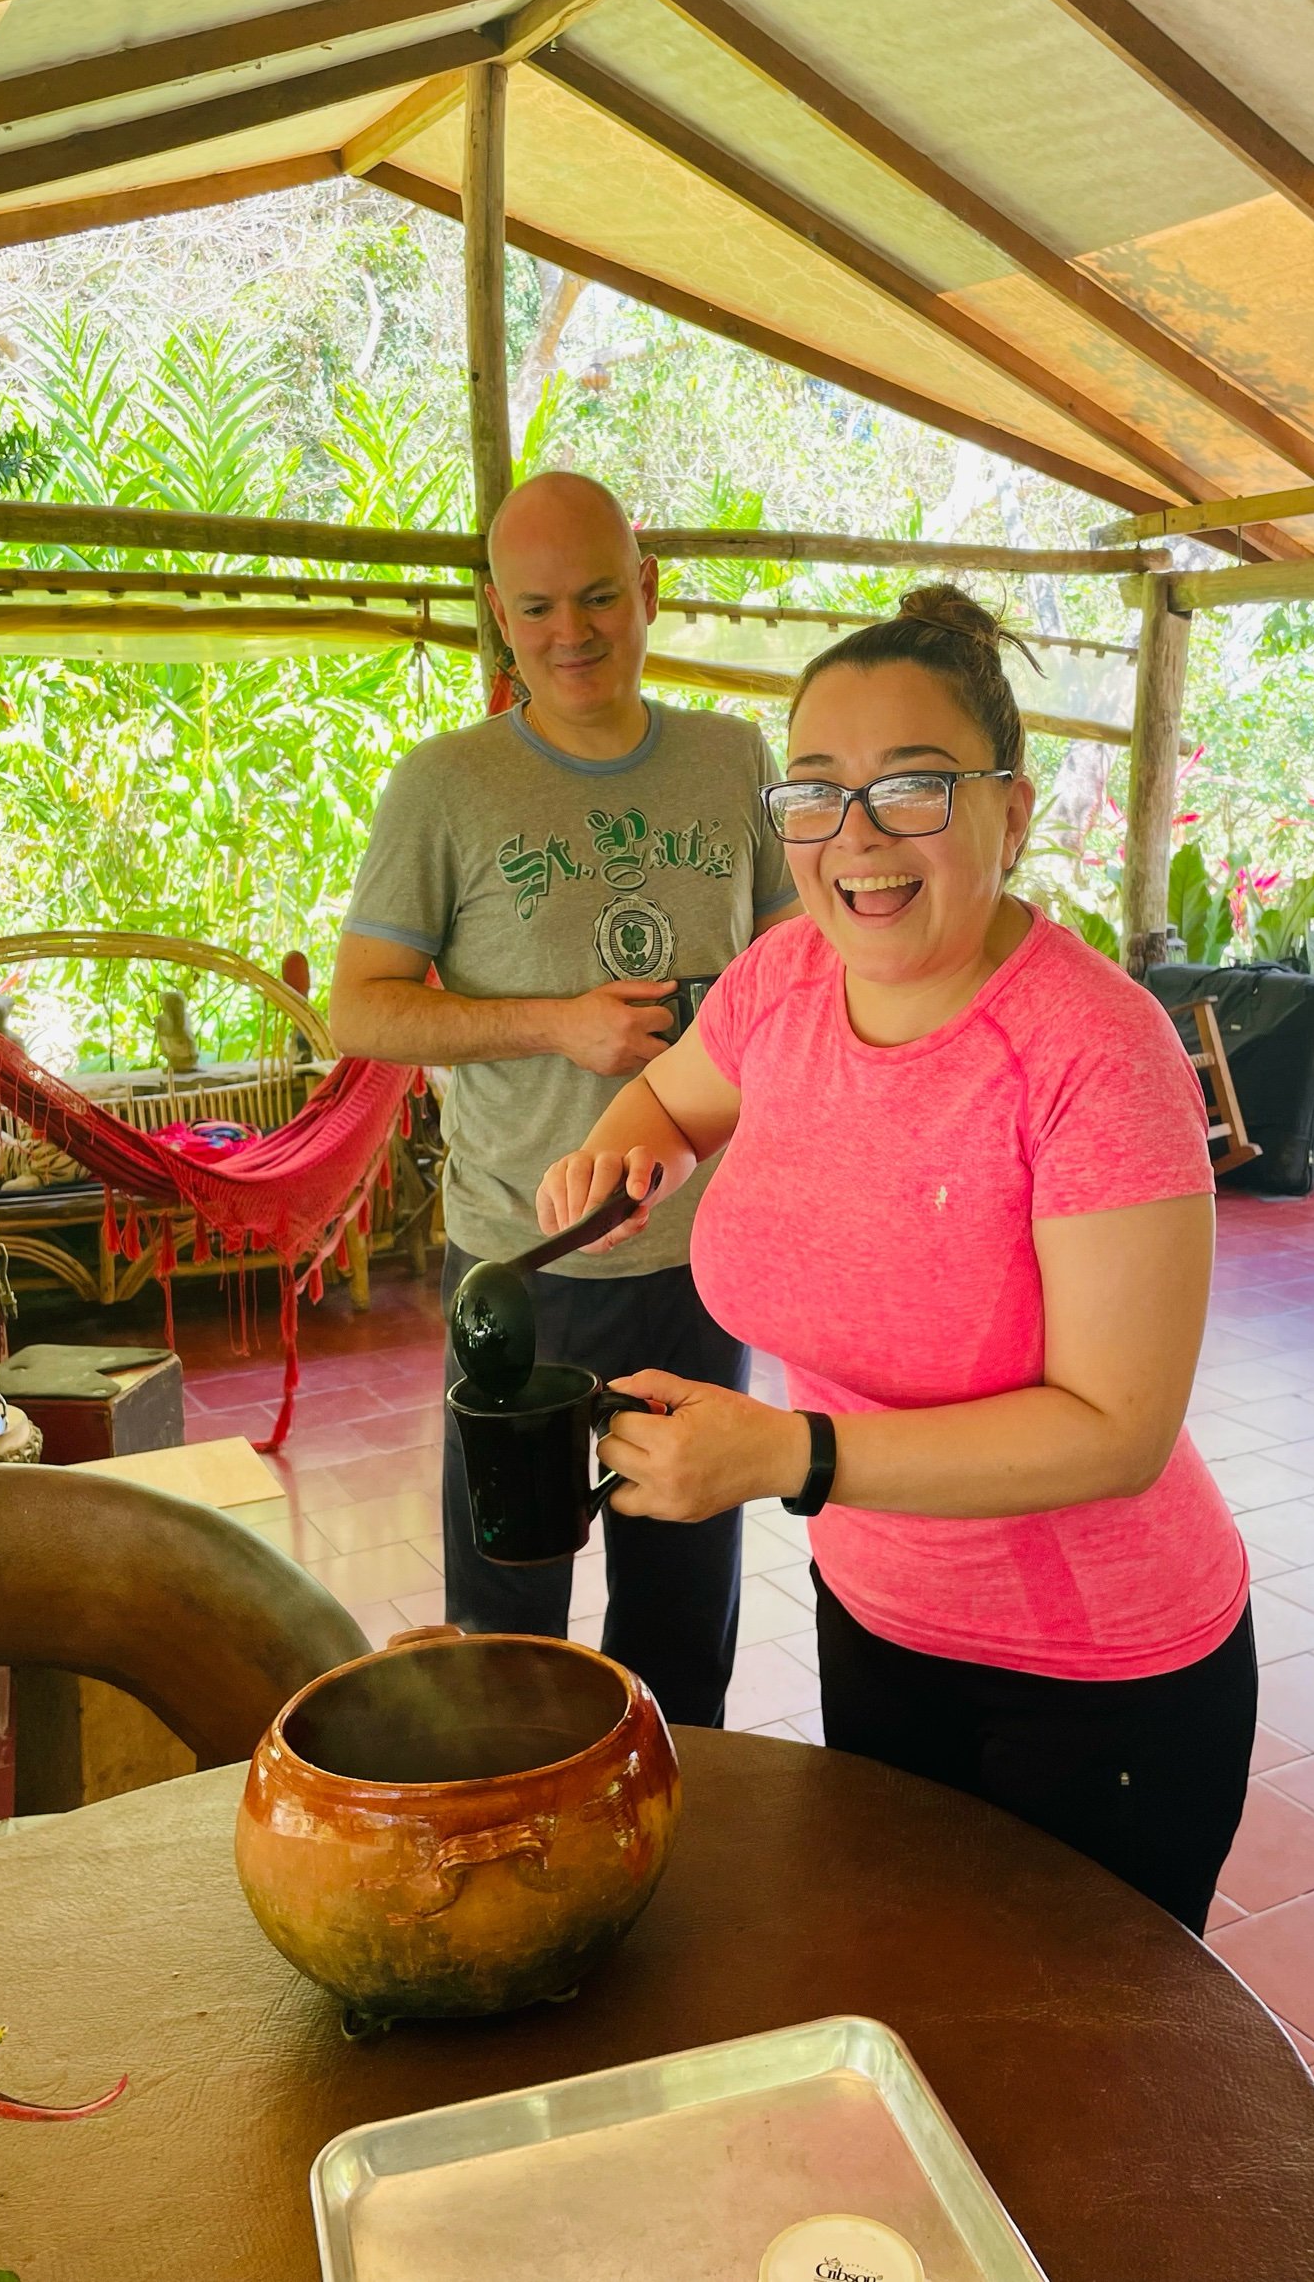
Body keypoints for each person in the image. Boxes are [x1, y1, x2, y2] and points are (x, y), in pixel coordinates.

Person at [536, 586, 1254, 1932]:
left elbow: (1116, 1431)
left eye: (911, 788)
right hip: (874, 1610)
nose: (852, 837)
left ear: (1011, 812)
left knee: (1078, 2088)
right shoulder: (781, 979)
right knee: (911, 2004)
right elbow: (674, 1103)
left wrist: (785, 1456)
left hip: (1093, 1671)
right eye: (812, 791)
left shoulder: (1093, 1055)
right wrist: (619, 1154)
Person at [329, 470, 795, 1727]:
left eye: (599, 596)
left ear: (649, 592)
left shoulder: (734, 759)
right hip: (520, 1267)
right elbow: (361, 1007)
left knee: (684, 1610)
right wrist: (558, 1020)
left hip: (696, 1260)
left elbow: (799, 980)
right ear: (497, 612)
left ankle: (678, 1828)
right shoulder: (447, 784)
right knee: (509, 1615)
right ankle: (518, 1836)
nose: (571, 632)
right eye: (536, 607)